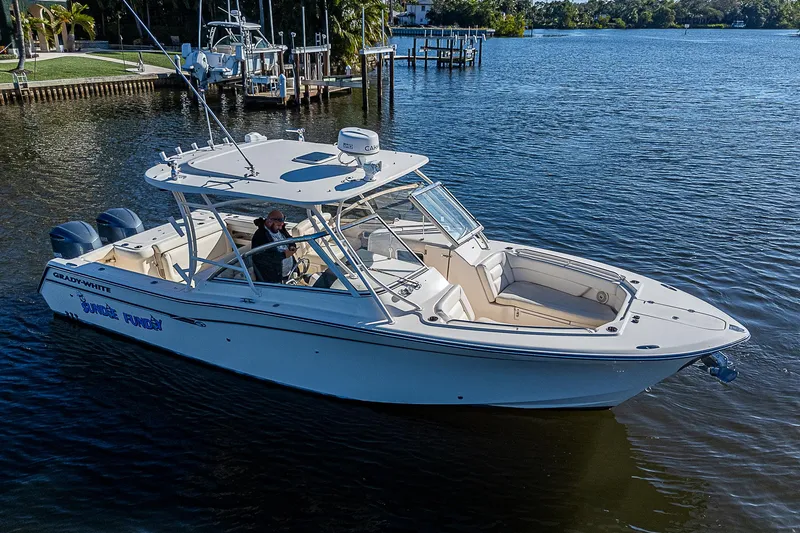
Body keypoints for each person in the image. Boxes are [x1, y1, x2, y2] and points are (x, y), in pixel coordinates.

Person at [251, 210, 297, 283]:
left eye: (282, 225)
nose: (281, 228)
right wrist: (284, 255)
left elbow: (290, 239)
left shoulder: (281, 230)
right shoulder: (260, 236)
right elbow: (261, 258)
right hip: (274, 277)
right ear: (269, 221)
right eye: (278, 225)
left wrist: (292, 246)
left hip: (289, 272)